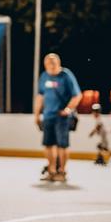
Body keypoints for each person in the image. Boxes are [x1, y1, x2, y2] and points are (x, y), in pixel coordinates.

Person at [33, 53, 81, 183]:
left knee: (62, 145)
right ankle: (51, 171)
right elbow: (40, 96)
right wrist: (37, 114)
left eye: (53, 62)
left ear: (58, 63)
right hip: (48, 115)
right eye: (48, 62)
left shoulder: (66, 76)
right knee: (48, 145)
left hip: (62, 117)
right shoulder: (44, 76)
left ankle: (62, 172)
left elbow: (77, 95)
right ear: (45, 65)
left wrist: (68, 109)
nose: (51, 64)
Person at [88, 92, 111, 165]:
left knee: (104, 148)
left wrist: (92, 132)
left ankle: (106, 159)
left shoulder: (100, 119)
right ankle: (100, 158)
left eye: (94, 112)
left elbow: (98, 126)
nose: (93, 114)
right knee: (100, 147)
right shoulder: (99, 118)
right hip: (103, 136)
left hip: (104, 136)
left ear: (97, 112)